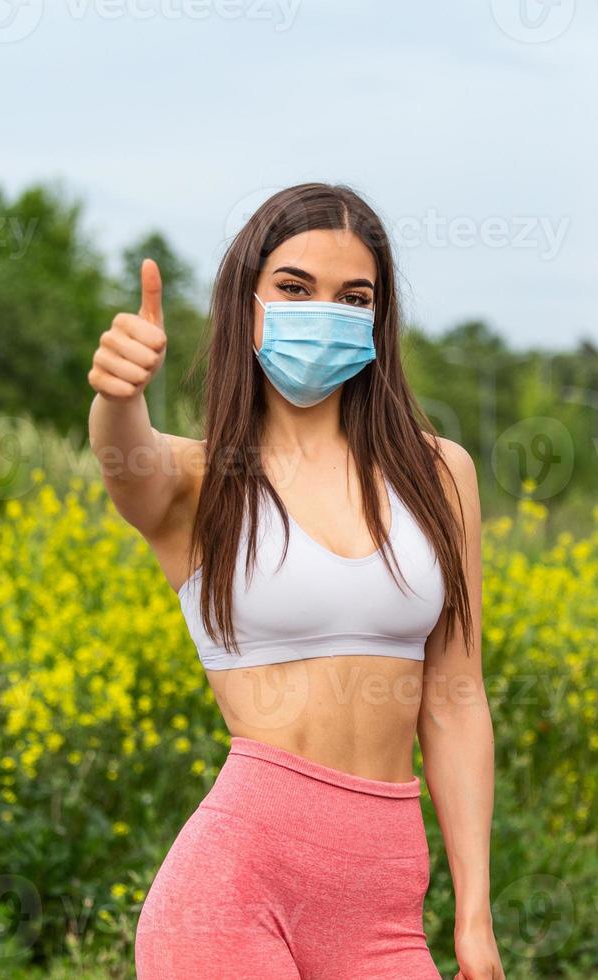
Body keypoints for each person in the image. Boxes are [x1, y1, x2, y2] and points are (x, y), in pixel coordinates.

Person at [88, 182, 504, 980]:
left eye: (355, 296)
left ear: (378, 319)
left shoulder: (440, 475)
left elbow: (455, 697)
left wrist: (474, 918)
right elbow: (123, 458)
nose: (326, 311)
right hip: (233, 894)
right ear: (246, 302)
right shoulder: (195, 479)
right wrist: (117, 395)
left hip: (384, 909)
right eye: (293, 287)